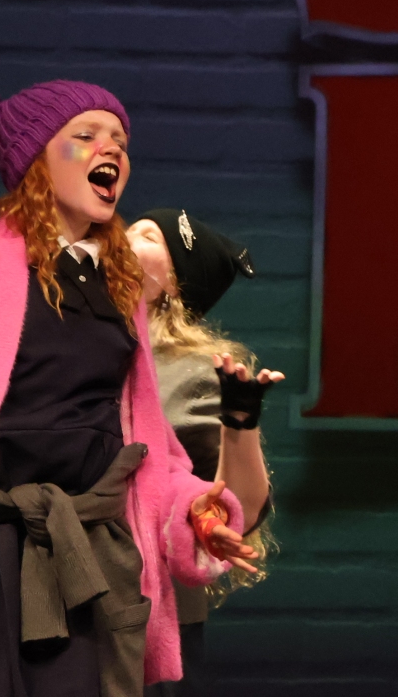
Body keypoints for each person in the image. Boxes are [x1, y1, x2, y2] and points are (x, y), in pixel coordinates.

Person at [0, 81, 258, 696]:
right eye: (85, 136)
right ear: (36, 158)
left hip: (90, 556)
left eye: (119, 139)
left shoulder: (117, 286)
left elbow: (145, 445)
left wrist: (196, 512)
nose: (110, 148)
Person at [126, 208, 281, 697]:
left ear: (173, 284)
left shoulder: (189, 372)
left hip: (150, 614)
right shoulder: (67, 343)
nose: (125, 236)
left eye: (147, 236)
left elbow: (240, 508)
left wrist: (240, 424)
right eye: (129, 227)